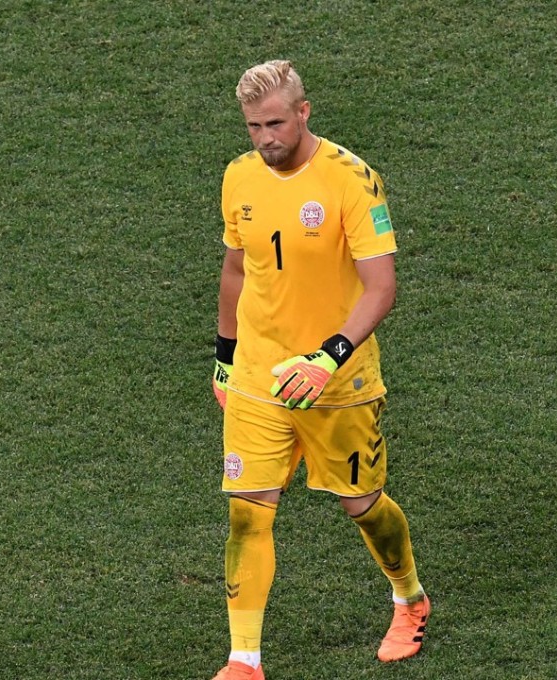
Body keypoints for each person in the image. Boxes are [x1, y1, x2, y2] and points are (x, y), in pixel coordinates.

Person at [209, 60, 430, 680]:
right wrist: (226, 358)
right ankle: (243, 661)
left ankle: (409, 599)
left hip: (339, 380)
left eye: (276, 122)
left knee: (362, 503)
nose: (265, 138)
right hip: (259, 376)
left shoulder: (351, 181)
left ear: (304, 112)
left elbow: (380, 287)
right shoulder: (239, 178)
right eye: (254, 126)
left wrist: (326, 357)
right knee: (247, 510)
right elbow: (234, 272)